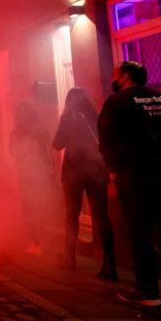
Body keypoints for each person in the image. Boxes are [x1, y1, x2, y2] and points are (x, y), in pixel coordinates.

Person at [98, 61, 161, 306]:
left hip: (139, 176)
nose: (112, 79)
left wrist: (115, 170)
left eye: (115, 74)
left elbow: (106, 142)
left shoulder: (117, 103)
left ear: (125, 77)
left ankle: (148, 291)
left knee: (140, 232)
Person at [53, 88, 116, 280]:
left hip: (74, 173)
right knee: (102, 217)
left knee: (72, 216)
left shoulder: (68, 118)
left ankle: (70, 260)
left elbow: (57, 144)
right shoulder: (98, 117)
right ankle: (109, 264)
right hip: (97, 171)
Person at [9, 100, 55, 256]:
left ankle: (36, 243)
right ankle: (41, 240)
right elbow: (48, 152)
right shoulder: (41, 128)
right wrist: (50, 172)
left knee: (29, 207)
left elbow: (12, 152)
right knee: (39, 205)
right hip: (40, 172)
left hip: (25, 173)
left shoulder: (17, 131)